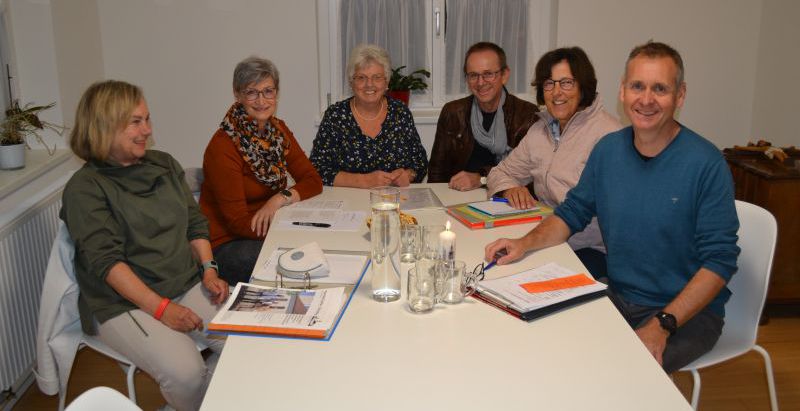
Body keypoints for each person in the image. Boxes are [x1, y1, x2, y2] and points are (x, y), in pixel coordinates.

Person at [485, 41, 740, 373]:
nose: (646, 99)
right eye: (637, 86)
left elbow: (720, 260)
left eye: (660, 89)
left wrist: (662, 323)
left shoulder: (706, 163)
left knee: (621, 372)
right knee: (549, 348)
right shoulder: (608, 151)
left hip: (684, 314)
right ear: (622, 91)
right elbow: (572, 213)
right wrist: (523, 243)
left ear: (680, 96)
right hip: (618, 296)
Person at [60, 80, 228, 411]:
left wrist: (209, 270)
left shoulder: (163, 164)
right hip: (123, 303)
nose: (147, 130)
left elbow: (194, 223)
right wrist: (163, 310)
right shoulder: (85, 188)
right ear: (105, 126)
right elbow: (108, 264)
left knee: (251, 341)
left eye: (147, 119)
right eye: (135, 122)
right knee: (187, 375)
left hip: (184, 283)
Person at [486, 47, 621, 278]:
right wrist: (510, 189)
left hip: (588, 248)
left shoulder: (609, 135)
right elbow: (499, 173)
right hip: (541, 237)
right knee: (493, 267)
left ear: (583, 86)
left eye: (566, 83)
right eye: (549, 84)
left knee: (519, 280)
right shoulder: (541, 129)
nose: (556, 92)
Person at [201, 57, 323, 285]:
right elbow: (237, 223)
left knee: (315, 250)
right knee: (296, 264)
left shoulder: (278, 132)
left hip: (266, 229)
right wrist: (285, 231)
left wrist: (279, 199)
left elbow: (313, 180)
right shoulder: (223, 147)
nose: (261, 101)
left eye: (268, 91)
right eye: (251, 92)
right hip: (227, 244)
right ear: (237, 95)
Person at [310, 44, 428, 187]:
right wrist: (364, 181)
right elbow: (317, 169)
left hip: (393, 197)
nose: (369, 84)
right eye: (361, 78)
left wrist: (408, 175)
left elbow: (420, 163)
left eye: (377, 77)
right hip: (348, 198)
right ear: (351, 82)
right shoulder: (335, 116)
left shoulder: (400, 113)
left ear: (386, 82)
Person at [428, 42, 538, 190]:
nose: (480, 82)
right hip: (458, 196)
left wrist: (482, 179)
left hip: (506, 195)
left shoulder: (527, 115)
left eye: (488, 74)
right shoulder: (452, 113)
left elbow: (532, 175)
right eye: (473, 75)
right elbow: (436, 174)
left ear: (504, 75)